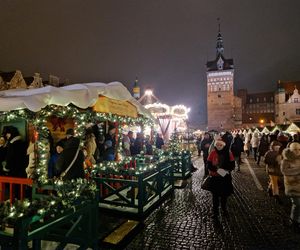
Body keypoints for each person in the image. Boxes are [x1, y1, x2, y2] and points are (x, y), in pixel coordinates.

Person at [207, 139, 235, 221]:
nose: (219, 146)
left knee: (224, 195)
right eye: (217, 145)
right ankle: (215, 212)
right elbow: (208, 164)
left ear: (223, 145)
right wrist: (217, 170)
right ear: (215, 145)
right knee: (215, 196)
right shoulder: (212, 153)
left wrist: (223, 171)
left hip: (225, 178)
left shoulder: (229, 153)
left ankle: (224, 209)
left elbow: (232, 165)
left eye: (221, 145)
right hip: (215, 178)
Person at [281, 142, 300, 233]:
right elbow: (285, 171)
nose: (297, 151)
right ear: (291, 150)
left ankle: (296, 220)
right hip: (292, 186)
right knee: (297, 204)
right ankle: (293, 221)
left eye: (299, 149)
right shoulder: (286, 160)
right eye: (295, 149)